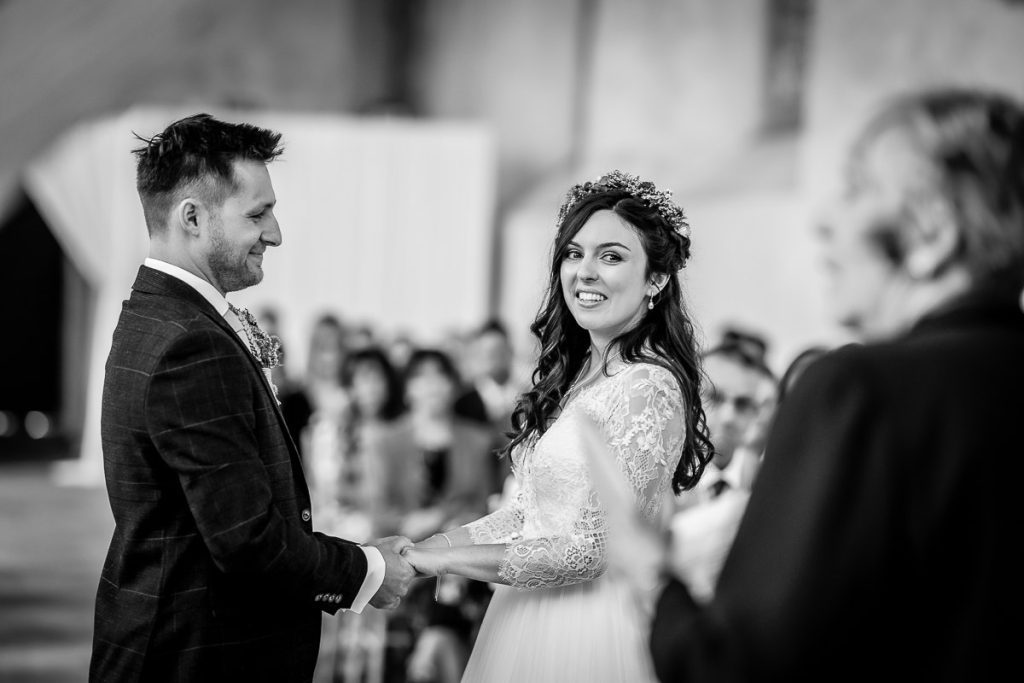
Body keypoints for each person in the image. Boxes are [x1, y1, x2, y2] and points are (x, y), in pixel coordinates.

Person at [603, 88, 1024, 682]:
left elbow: (738, 670)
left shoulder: (861, 391)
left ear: (932, 235)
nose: (824, 220)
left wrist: (650, 573)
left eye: (856, 189)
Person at [90, 113, 416, 683]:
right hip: (197, 657)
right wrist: (367, 568)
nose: (276, 233)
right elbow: (248, 543)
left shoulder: (156, 316)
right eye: (258, 214)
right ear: (192, 217)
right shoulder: (190, 344)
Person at [400, 170, 714, 682]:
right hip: (523, 616)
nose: (585, 272)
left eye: (611, 256)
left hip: (589, 628)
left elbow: (588, 551)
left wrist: (444, 563)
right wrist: (433, 547)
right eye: (574, 253)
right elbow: (525, 513)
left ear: (656, 279)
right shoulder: (580, 378)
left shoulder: (647, 387)